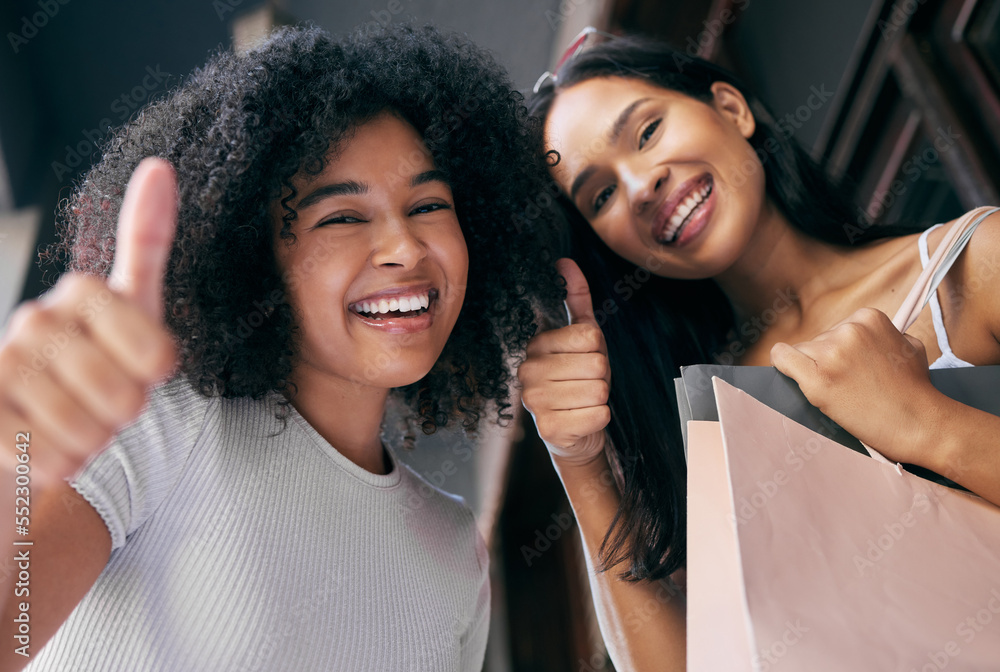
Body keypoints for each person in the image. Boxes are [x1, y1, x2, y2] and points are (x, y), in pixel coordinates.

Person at [0, 24, 563, 670]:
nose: (406, 248)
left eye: (429, 205)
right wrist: (9, 459)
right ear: (255, 259)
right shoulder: (161, 422)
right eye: (343, 217)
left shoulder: (455, 551)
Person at [518, 30, 1000, 670]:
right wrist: (578, 463)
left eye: (647, 132)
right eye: (601, 195)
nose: (639, 185)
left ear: (731, 108)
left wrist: (927, 424)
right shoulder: (700, 429)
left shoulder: (975, 265)